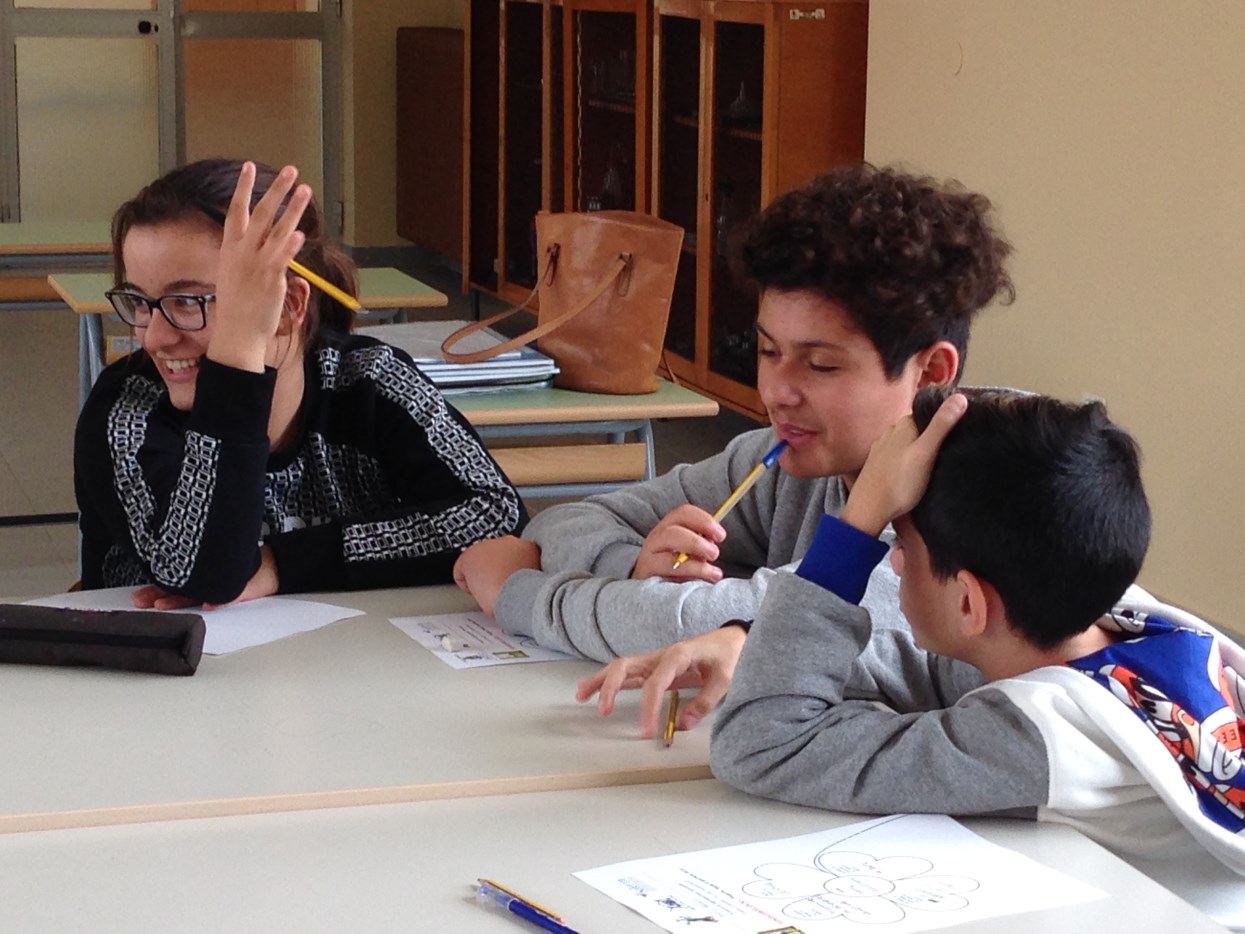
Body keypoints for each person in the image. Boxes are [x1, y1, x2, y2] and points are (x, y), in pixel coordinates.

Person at [453, 163, 1014, 673]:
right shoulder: (786, 458)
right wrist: (635, 568)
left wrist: (514, 591)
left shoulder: (974, 508)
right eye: (768, 351)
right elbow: (573, 519)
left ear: (931, 373)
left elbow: (751, 629)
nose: (776, 391)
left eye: (820, 365)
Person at [711, 387, 1245, 922]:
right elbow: (940, 672)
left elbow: (764, 742)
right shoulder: (1141, 633)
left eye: (900, 545)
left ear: (968, 602)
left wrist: (857, 520)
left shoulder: (1032, 742)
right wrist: (748, 642)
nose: (893, 563)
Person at [75, 158, 527, 608]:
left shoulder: (368, 378)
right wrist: (237, 358)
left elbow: (496, 517)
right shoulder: (125, 410)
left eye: (188, 302)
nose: (154, 338)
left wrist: (280, 563)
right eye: (140, 302)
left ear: (289, 307)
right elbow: (202, 573)